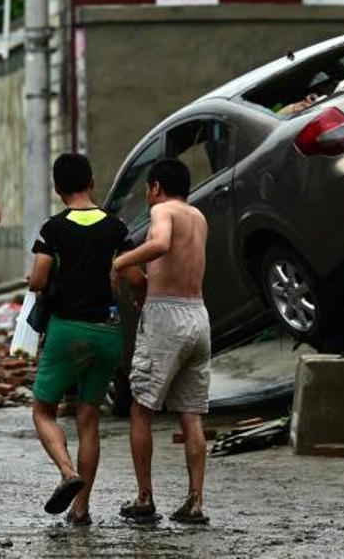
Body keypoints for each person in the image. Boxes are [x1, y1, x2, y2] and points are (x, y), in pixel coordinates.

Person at [28, 153, 142, 525]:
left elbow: (39, 280)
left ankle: (66, 471)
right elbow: (136, 277)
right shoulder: (116, 227)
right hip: (107, 333)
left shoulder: (53, 229)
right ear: (92, 182)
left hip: (67, 331)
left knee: (43, 410)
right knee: (88, 419)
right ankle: (81, 509)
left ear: (57, 188)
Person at [111, 158, 211, 525]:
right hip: (198, 315)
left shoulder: (163, 211)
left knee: (141, 408)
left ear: (155, 188)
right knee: (191, 413)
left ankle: (144, 498)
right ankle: (195, 501)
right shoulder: (198, 217)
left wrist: (121, 263)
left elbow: (162, 244)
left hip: (167, 317)